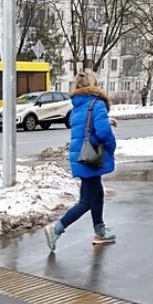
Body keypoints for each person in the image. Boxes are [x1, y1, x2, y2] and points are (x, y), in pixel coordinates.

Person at [43, 69, 118, 251]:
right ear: (93, 85)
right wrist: (111, 146)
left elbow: (89, 125)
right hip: (92, 157)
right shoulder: (97, 103)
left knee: (97, 194)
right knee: (86, 201)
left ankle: (100, 231)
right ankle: (56, 229)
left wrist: (106, 121)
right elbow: (102, 132)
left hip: (82, 156)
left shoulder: (78, 105)